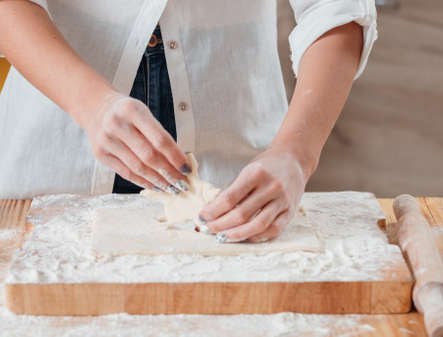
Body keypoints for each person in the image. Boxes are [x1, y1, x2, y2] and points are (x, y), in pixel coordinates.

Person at [0, 0, 377, 243]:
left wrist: (296, 153)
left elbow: (336, 8)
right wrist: (90, 103)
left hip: (235, 174)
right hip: (52, 151)